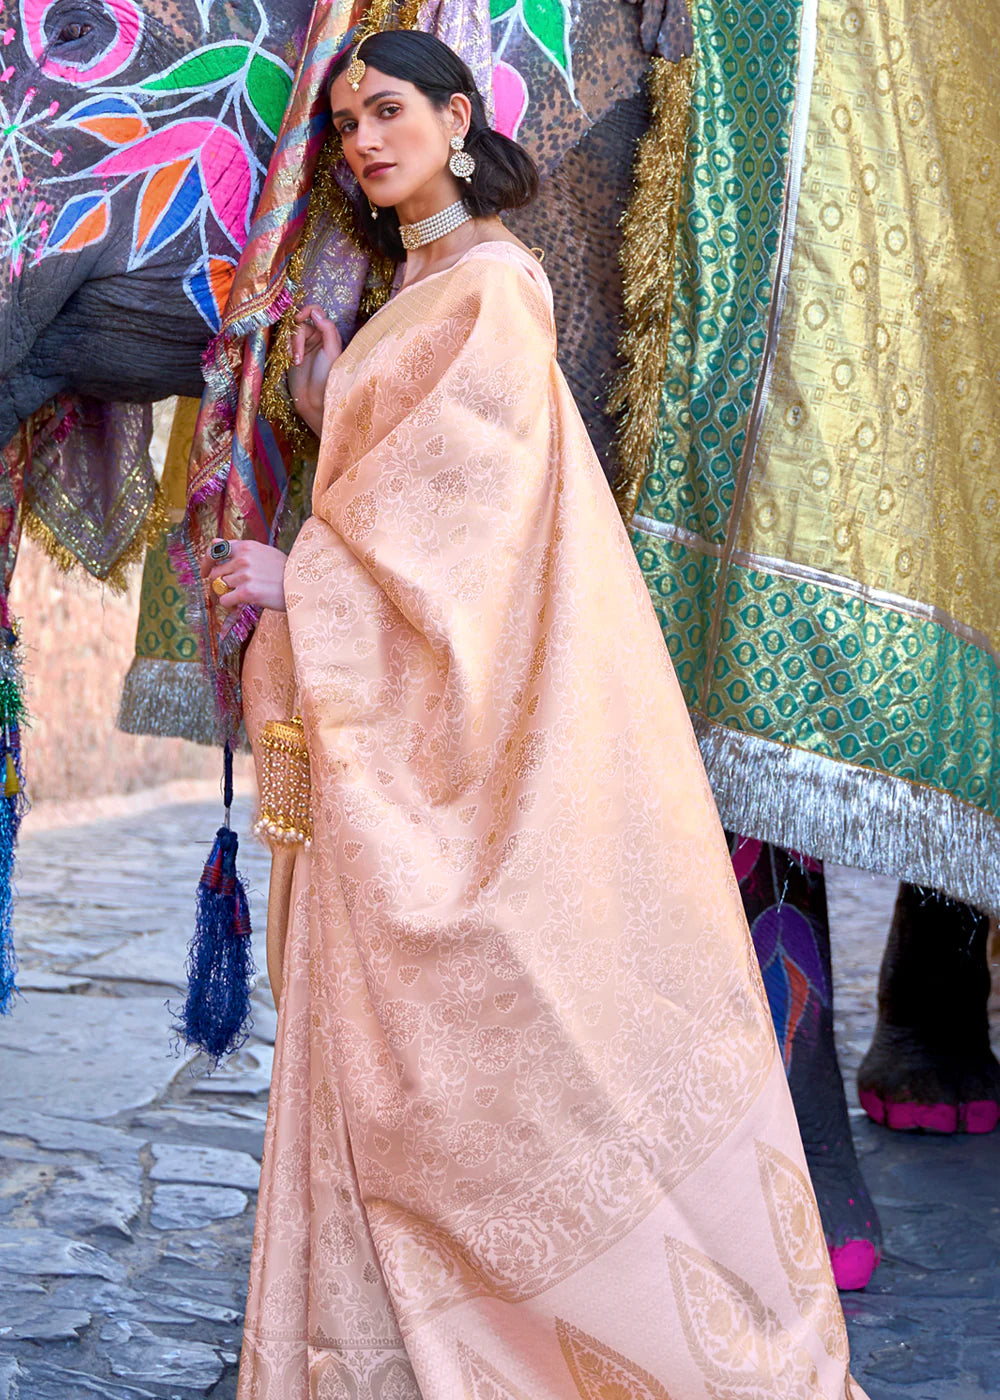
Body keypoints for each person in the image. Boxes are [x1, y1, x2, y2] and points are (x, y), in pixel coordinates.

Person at [204, 28, 867, 1400]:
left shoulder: (492, 287)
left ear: (459, 118)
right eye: (342, 127)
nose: (364, 142)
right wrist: (336, 406)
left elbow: (473, 548)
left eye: (389, 111)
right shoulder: (426, 289)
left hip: (469, 744)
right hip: (411, 698)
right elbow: (421, 491)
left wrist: (300, 582)